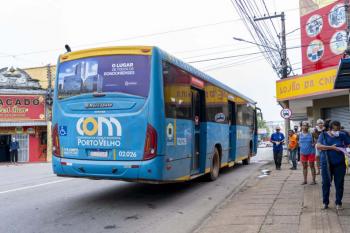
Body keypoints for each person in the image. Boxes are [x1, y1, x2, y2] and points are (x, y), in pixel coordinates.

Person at [317, 121, 350, 210]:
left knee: (339, 184)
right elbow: (318, 146)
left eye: (338, 129)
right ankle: (325, 203)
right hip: (326, 164)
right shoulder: (323, 135)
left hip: (339, 164)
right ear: (330, 129)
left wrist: (346, 150)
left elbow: (348, 144)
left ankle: (338, 203)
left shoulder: (342, 135)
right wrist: (331, 147)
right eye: (334, 130)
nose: (336, 131)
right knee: (326, 183)